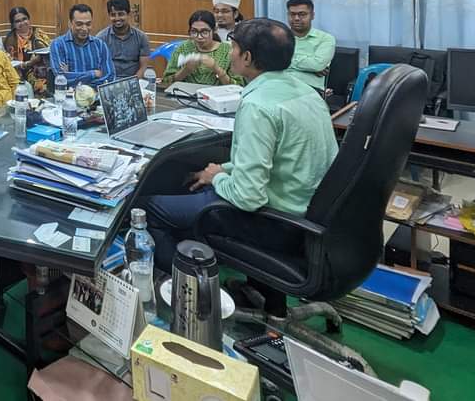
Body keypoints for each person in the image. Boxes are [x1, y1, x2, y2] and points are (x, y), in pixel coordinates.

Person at [138, 19, 338, 280]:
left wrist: (217, 178)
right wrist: (222, 169)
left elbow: (248, 198)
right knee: (192, 184)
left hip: (275, 222)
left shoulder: (257, 105)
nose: (230, 53)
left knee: (147, 208)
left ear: (247, 57)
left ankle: (189, 290)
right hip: (310, 213)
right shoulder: (307, 92)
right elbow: (277, 157)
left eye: (233, 48)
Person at [163, 11, 241, 87]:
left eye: (204, 32)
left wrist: (216, 68)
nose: (199, 37)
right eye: (194, 32)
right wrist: (186, 70)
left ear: (214, 30)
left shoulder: (228, 51)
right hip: (185, 94)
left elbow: (238, 86)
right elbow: (165, 82)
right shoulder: (183, 48)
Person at [49, 4, 115, 88]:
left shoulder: (100, 45)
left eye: (88, 24)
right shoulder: (57, 45)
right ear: (70, 24)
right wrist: (93, 74)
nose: (84, 28)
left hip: (95, 93)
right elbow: (62, 78)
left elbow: (109, 77)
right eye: (79, 24)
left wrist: (73, 76)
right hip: (69, 95)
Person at [285, 0, 336, 91]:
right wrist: (308, 66)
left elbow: (317, 65)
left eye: (302, 14)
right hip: (280, 85)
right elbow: (267, 63)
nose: (296, 18)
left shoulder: (326, 39)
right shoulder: (279, 37)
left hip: (310, 90)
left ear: (312, 15)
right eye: (292, 14)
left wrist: (283, 60)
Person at [96, 0, 151, 79]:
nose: (117, 18)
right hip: (109, 81)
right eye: (113, 15)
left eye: (121, 14)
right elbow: (98, 67)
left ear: (129, 14)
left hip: (135, 81)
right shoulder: (101, 38)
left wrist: (132, 82)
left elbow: (143, 67)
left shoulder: (141, 37)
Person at [3, 6, 51, 96]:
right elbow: (10, 64)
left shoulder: (39, 33)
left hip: (44, 68)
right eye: (18, 21)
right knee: (40, 85)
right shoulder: (10, 40)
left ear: (29, 19)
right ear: (13, 24)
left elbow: (49, 49)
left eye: (24, 19)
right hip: (22, 73)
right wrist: (29, 63)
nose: (22, 23)